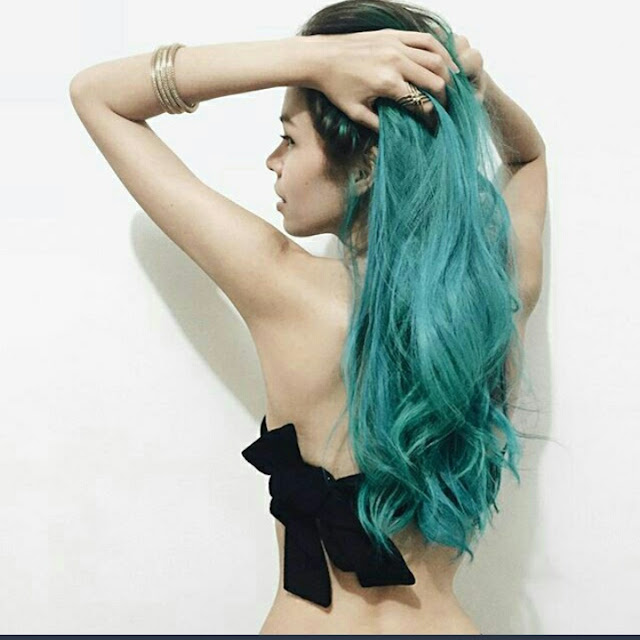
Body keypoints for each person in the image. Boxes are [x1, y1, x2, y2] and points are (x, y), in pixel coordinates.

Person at [69, 0, 547, 634]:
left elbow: (98, 94)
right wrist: (467, 88)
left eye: (289, 139)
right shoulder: (499, 291)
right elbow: (529, 159)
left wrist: (313, 59)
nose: (273, 160)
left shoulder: (279, 284)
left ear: (367, 165)